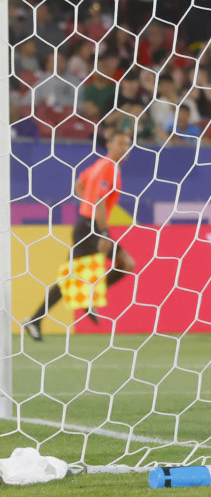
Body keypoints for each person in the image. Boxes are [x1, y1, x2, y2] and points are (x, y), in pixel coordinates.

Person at [24, 131, 136, 341]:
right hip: (90, 228)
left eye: (128, 144)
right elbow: (100, 201)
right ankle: (35, 320)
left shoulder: (101, 166)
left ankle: (85, 298)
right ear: (109, 145)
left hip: (89, 224)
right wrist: (102, 231)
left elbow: (80, 184)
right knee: (70, 280)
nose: (125, 148)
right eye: (121, 143)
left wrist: (87, 204)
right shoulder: (108, 167)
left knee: (126, 263)